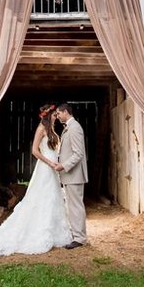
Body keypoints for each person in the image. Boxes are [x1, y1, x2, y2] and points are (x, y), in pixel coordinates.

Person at [0, 104, 72, 256]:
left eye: (57, 115)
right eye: (54, 114)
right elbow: (34, 151)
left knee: (53, 198)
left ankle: (55, 230)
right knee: (42, 198)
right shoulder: (41, 129)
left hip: (53, 170)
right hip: (45, 168)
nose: (56, 116)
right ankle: (37, 230)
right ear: (47, 115)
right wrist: (50, 163)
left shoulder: (52, 130)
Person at [54, 102, 88, 249]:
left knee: (75, 206)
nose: (57, 115)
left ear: (66, 112)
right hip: (70, 176)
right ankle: (76, 235)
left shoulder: (75, 128)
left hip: (74, 175)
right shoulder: (69, 127)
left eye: (59, 113)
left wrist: (64, 165)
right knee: (72, 206)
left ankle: (80, 238)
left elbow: (79, 153)